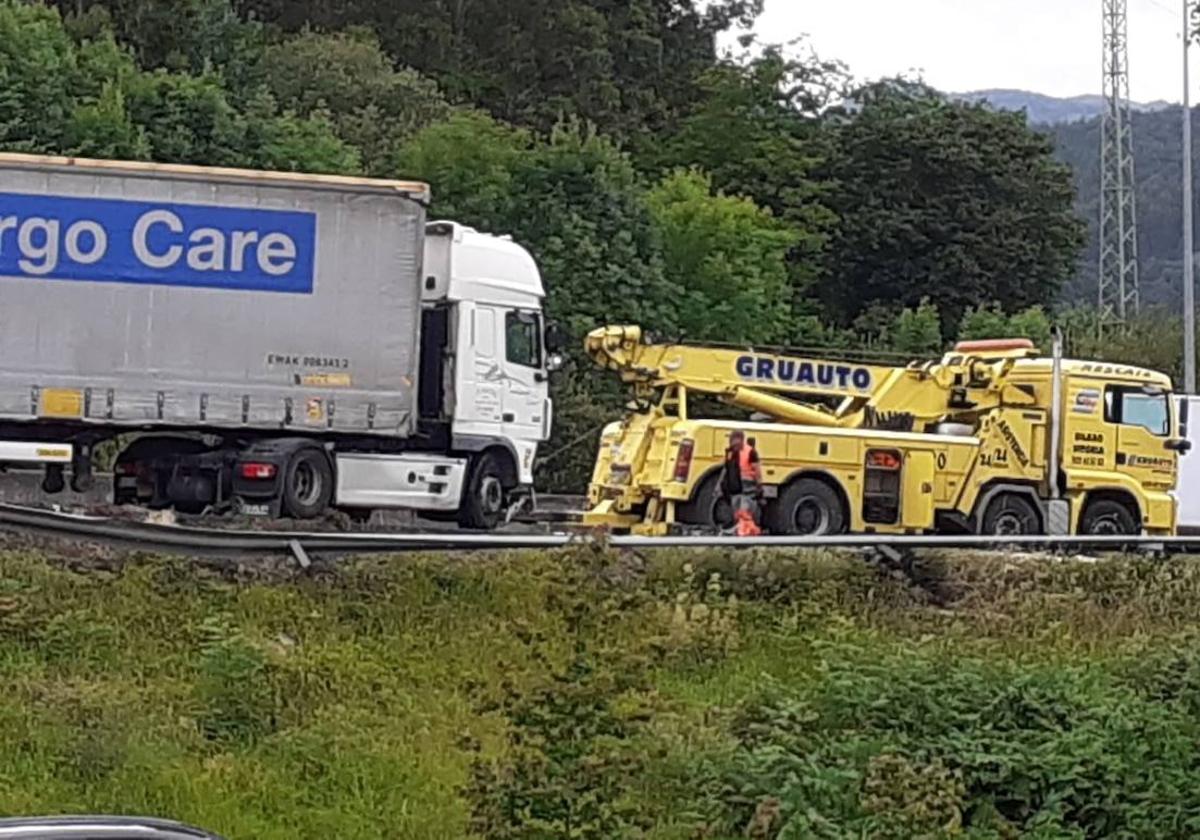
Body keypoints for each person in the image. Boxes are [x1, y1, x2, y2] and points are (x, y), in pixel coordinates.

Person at [721, 430, 762, 536]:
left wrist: (758, 485)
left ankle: (743, 532)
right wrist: (759, 485)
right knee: (741, 512)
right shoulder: (736, 452)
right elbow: (756, 470)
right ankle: (742, 532)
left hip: (741, 486)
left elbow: (756, 469)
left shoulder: (740, 451)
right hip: (740, 485)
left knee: (741, 512)